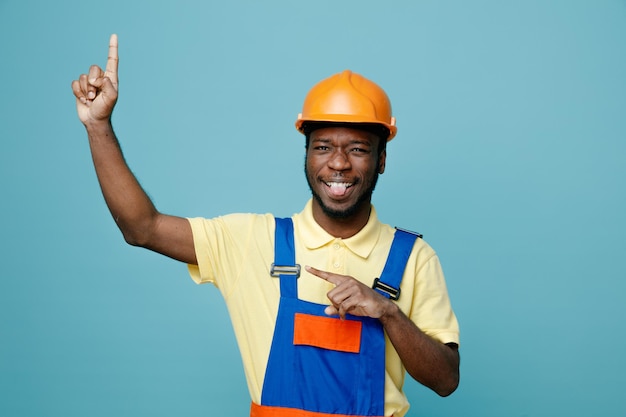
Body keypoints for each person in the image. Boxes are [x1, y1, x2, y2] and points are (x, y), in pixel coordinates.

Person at [71, 34, 460, 417]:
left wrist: (387, 312)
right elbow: (143, 228)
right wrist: (98, 126)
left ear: (382, 159)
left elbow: (445, 380)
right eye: (323, 146)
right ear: (307, 154)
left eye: (357, 149)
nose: (338, 163)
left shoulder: (413, 259)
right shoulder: (252, 241)